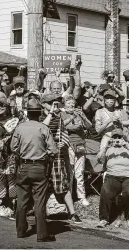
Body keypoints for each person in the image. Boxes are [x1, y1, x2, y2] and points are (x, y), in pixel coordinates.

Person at [11, 98, 58, 242]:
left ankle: (20, 230)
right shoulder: (44, 128)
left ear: (27, 113)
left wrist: (22, 154)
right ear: (39, 114)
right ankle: (42, 234)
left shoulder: (20, 127)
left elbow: (13, 148)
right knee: (39, 201)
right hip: (39, 167)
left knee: (22, 201)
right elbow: (53, 150)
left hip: (23, 167)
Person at [41, 93, 82, 224]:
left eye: (56, 102)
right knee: (39, 184)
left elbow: (63, 131)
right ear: (43, 104)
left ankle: (72, 213)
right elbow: (41, 129)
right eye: (51, 103)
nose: (54, 105)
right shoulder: (40, 116)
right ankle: (35, 210)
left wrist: (62, 142)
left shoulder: (59, 117)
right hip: (42, 155)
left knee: (62, 183)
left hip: (57, 154)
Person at [97, 128, 129, 228]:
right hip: (112, 174)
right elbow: (100, 160)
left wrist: (126, 145)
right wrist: (105, 147)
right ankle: (103, 219)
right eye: (114, 137)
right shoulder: (109, 148)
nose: (117, 139)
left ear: (123, 137)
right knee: (106, 191)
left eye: (119, 137)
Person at [61, 95, 91, 206]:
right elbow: (63, 126)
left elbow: (89, 126)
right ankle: (69, 197)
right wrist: (72, 118)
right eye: (68, 103)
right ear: (64, 104)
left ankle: (81, 196)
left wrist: (83, 116)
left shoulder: (79, 114)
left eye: (73, 104)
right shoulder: (62, 114)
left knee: (80, 172)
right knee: (70, 172)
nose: (71, 105)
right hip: (69, 145)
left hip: (81, 145)